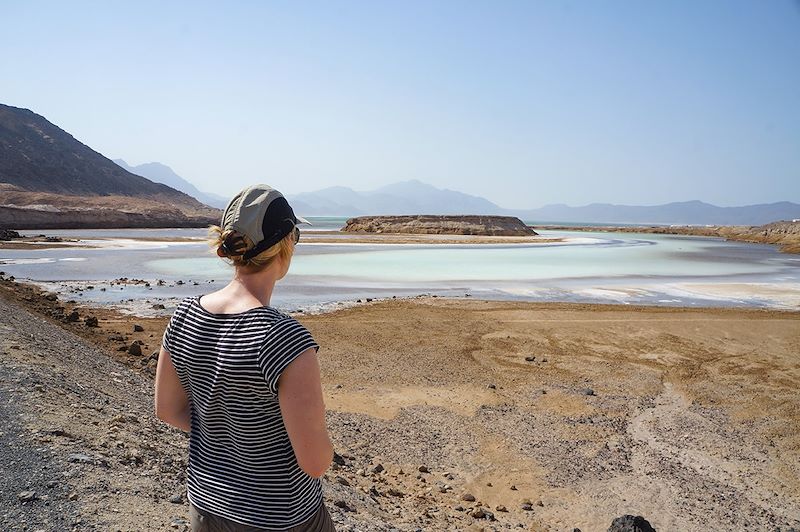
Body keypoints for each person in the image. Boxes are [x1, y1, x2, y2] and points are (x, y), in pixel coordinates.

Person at [154, 184, 335, 531]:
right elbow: (315, 461)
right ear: (285, 245)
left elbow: (167, 409)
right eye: (296, 235)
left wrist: (231, 438)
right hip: (278, 518)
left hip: (206, 507)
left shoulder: (184, 316)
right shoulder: (285, 339)